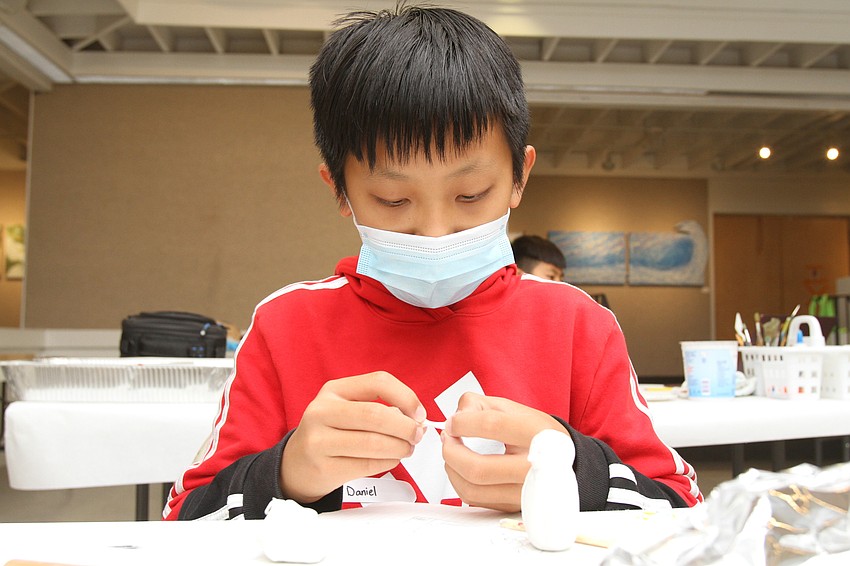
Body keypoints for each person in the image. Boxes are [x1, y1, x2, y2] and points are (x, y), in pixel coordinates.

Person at [164, 4, 701, 521]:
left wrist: (573, 471)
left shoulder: (577, 326)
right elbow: (185, 519)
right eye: (393, 201)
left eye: (471, 195)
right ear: (341, 192)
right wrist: (288, 473)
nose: (436, 232)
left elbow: (682, 507)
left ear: (519, 176)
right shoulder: (288, 327)